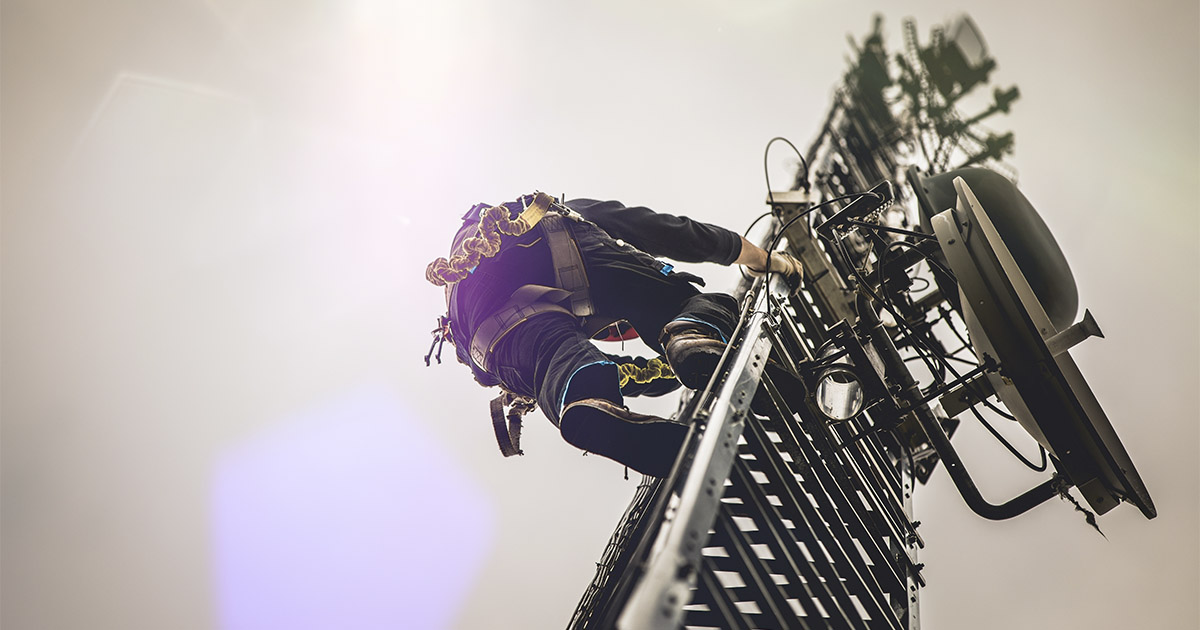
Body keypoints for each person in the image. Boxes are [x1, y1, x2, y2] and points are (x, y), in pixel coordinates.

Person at [425, 192, 802, 477]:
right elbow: (678, 233)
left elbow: (623, 373)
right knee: (689, 303)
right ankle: (692, 328)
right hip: (537, 237)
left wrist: (678, 366)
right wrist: (767, 261)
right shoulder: (581, 212)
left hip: (482, 336)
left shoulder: (555, 321)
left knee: (559, 364)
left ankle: (588, 406)